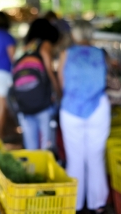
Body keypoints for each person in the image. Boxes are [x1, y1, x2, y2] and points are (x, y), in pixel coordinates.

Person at [58, 19, 111, 214]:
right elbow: (109, 77)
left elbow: (62, 82)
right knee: (96, 157)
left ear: (74, 35)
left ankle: (75, 204)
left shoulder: (66, 54)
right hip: (98, 107)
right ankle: (98, 204)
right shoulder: (101, 54)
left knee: (75, 158)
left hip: (71, 109)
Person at [16, 18, 61, 150]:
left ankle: (32, 168)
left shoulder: (23, 48)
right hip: (43, 102)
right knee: (47, 144)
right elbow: (49, 72)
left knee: (31, 146)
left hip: (23, 103)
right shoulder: (44, 45)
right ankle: (46, 168)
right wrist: (59, 93)